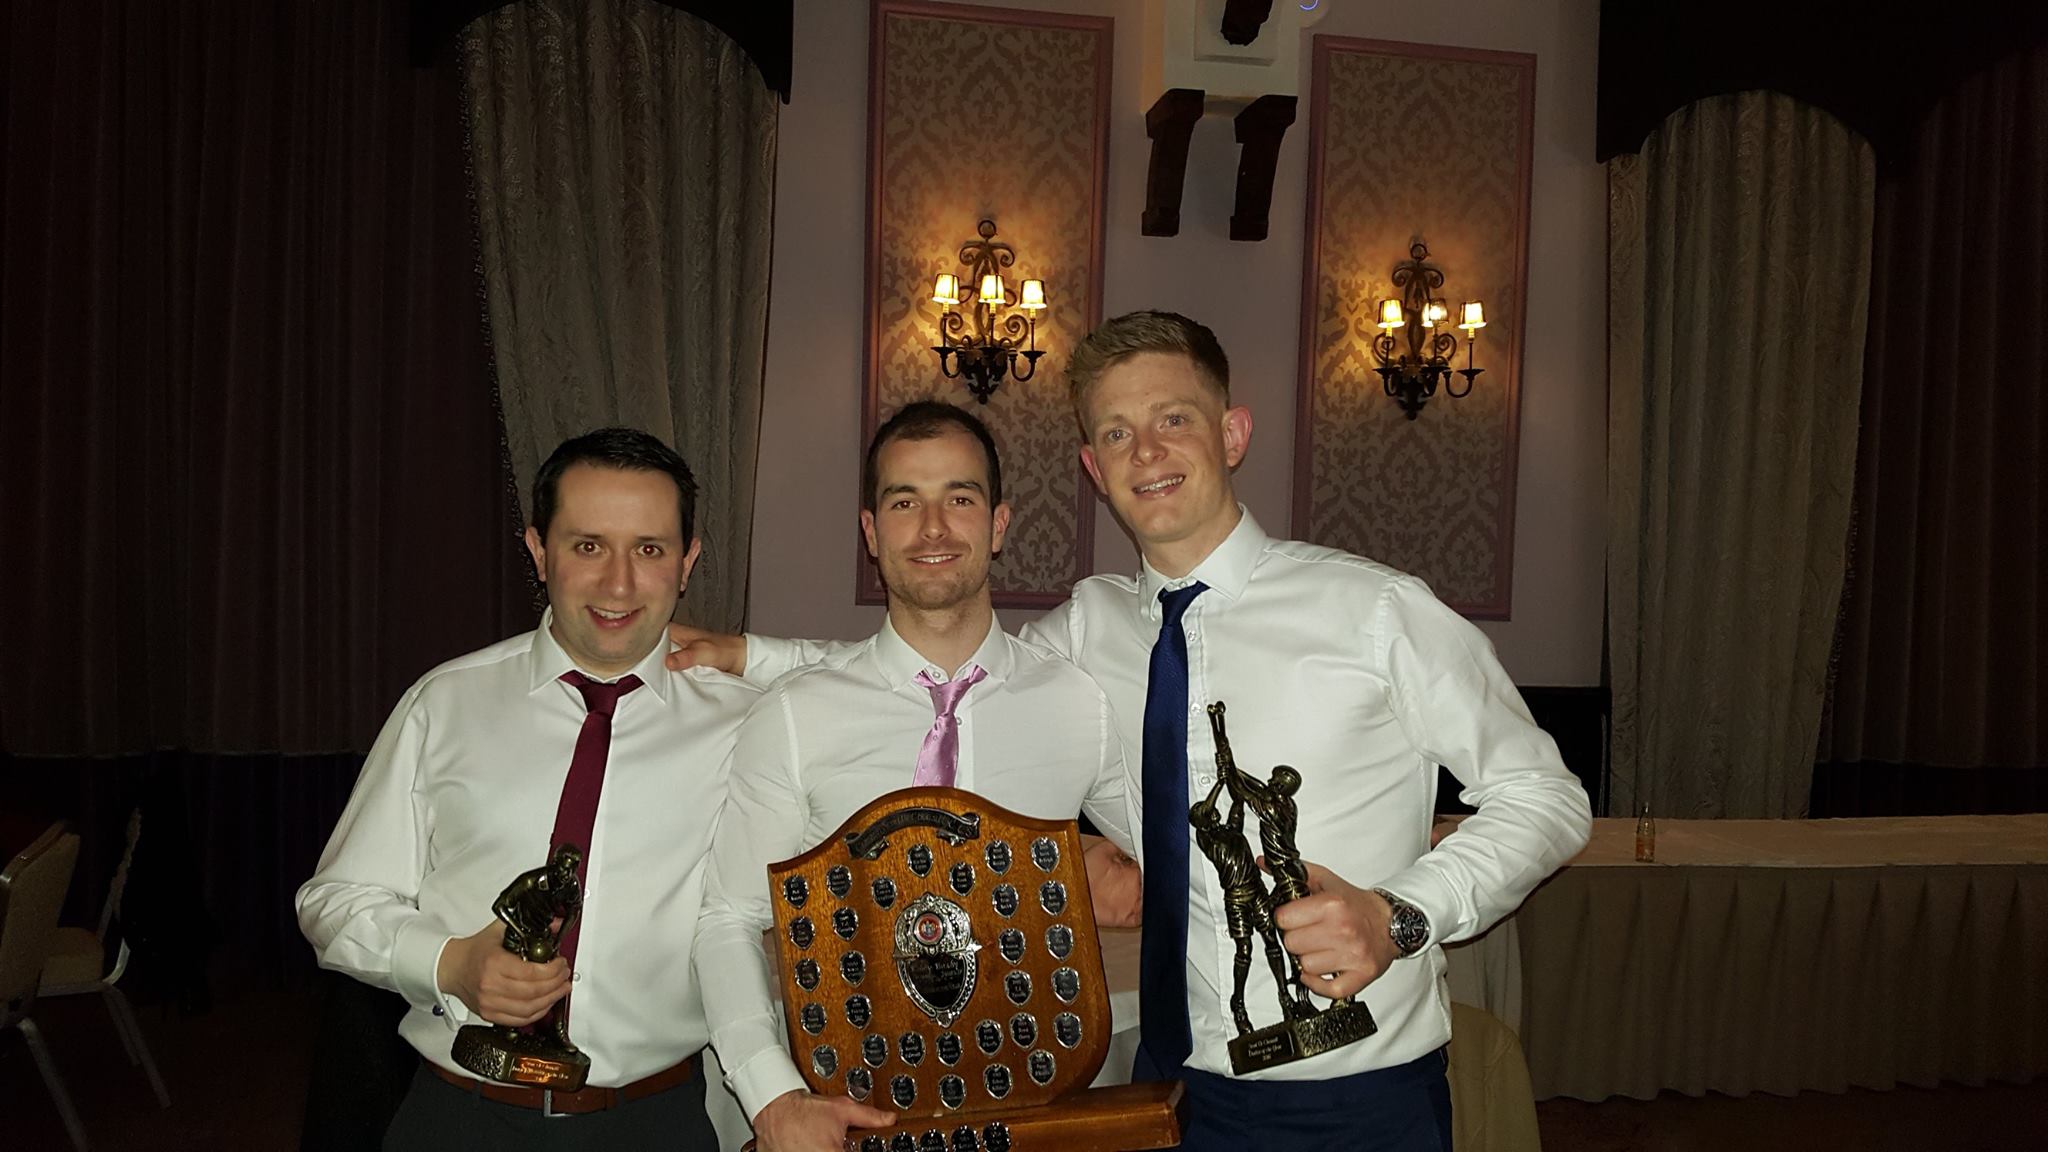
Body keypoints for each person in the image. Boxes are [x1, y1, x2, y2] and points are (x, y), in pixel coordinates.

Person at [674, 311, 1593, 1151]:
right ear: (1092, 466)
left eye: (1174, 419)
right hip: (1169, 1092)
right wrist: (756, 655)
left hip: (1349, 1090)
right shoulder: (1090, 629)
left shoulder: (1377, 609)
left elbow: (1545, 796)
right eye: (1116, 431)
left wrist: (1399, 916)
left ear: (1233, 432)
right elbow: (938, 665)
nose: (1146, 449)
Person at [693, 401, 1141, 1152]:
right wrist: (771, 1100)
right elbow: (727, 920)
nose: (933, 530)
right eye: (905, 502)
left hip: (1034, 1109)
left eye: (959, 499)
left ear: (999, 525)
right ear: (871, 531)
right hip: (851, 1111)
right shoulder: (800, 715)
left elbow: (1184, 859)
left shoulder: (1078, 705)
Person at [297, 428, 760, 1150]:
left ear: (687, 561)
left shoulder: (751, 724)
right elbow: (333, 902)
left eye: (649, 549)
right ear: (539, 551)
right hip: (458, 1116)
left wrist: (762, 655)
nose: (618, 583)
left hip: (654, 1121)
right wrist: (449, 963)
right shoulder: (444, 703)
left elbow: (888, 685)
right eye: (586, 546)